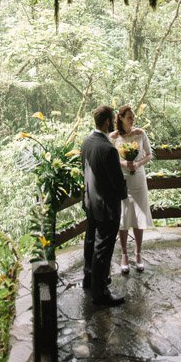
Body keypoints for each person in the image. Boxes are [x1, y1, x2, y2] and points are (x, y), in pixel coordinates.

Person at [81, 105, 127, 306]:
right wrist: (123, 195)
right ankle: (100, 293)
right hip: (106, 205)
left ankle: (89, 278)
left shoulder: (87, 142)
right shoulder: (108, 149)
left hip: (90, 201)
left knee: (91, 240)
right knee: (103, 248)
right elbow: (117, 182)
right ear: (108, 122)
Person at [110, 105, 153, 273]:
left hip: (139, 178)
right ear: (120, 118)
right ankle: (124, 254)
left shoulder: (140, 134)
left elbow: (149, 154)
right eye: (129, 116)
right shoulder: (113, 137)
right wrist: (123, 163)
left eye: (133, 117)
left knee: (139, 215)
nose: (132, 119)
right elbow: (110, 158)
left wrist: (137, 163)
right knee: (124, 216)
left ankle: (139, 253)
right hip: (122, 179)